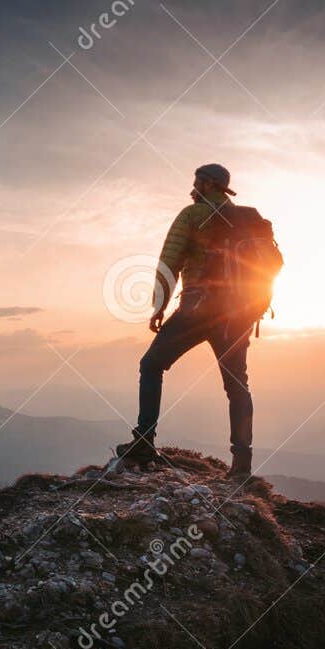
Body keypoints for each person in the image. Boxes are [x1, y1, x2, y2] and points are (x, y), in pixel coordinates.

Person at [116, 163, 276, 478]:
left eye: (196, 182)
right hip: (238, 314)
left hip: (198, 309)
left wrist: (158, 305)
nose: (192, 188)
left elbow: (169, 262)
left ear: (207, 185)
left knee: (152, 365)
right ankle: (242, 464)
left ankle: (144, 442)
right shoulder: (249, 220)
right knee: (237, 385)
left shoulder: (191, 216)